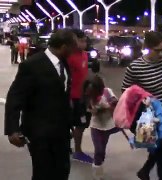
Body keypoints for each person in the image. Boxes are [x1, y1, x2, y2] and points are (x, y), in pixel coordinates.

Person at [4, 29, 77, 180]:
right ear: (64, 47)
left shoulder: (64, 64)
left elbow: (63, 95)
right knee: (43, 173)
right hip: (39, 132)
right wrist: (12, 129)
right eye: (72, 47)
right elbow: (15, 97)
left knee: (62, 171)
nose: (74, 51)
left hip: (61, 132)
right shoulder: (32, 65)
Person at [122, 31, 162, 180]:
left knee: (157, 149)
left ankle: (144, 172)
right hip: (149, 117)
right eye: (158, 50)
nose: (161, 54)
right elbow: (126, 91)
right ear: (147, 47)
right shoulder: (135, 67)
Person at [83, 75, 120, 179]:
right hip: (96, 126)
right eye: (88, 92)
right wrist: (95, 110)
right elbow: (90, 111)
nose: (90, 94)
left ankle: (99, 167)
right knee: (98, 150)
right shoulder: (87, 97)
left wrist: (108, 106)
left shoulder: (107, 92)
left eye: (93, 92)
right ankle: (97, 175)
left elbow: (116, 105)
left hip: (108, 126)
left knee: (102, 150)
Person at [67, 29, 93, 163]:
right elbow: (66, 79)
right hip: (73, 97)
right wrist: (69, 98)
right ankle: (77, 151)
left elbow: (84, 75)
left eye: (85, 41)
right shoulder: (69, 57)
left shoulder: (84, 55)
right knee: (80, 124)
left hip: (84, 97)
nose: (84, 44)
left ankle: (69, 145)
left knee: (82, 123)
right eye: (81, 41)